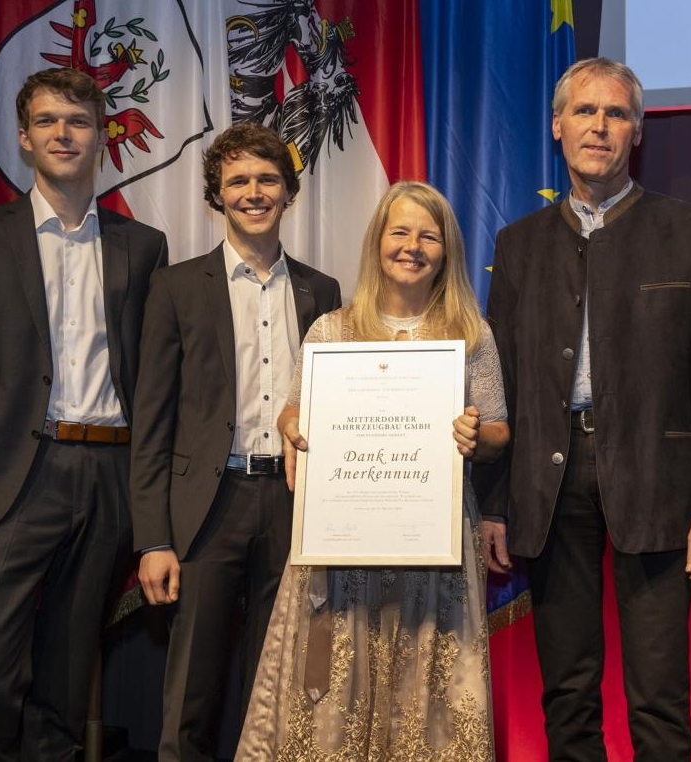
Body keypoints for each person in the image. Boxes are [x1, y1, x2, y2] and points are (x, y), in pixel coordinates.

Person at [474, 57, 691, 760]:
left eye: (616, 114)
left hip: (658, 481)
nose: (599, 127)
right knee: (566, 689)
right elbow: (495, 383)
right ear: (557, 125)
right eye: (585, 112)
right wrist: (494, 505)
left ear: (637, 132)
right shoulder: (518, 244)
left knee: (658, 694)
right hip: (546, 483)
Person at [0, 67, 168, 760]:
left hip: (107, 479)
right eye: (49, 121)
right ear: (25, 138)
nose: (64, 133)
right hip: (7, 480)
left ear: (100, 138)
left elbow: (152, 383)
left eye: (79, 121)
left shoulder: (142, 248)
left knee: (63, 685)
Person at [234, 180, 508, 760]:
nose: (412, 246)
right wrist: (289, 422)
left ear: (446, 250)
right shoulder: (332, 330)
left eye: (428, 236)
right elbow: (295, 407)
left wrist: (474, 433)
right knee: (334, 691)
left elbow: (500, 430)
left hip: (436, 547)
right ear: (377, 243)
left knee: (424, 698)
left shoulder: (470, 333)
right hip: (342, 548)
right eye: (400, 232)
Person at [129, 122, 341, 760]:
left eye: (267, 180)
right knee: (191, 693)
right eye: (239, 181)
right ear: (217, 196)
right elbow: (152, 420)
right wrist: (153, 540)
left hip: (292, 504)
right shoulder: (176, 287)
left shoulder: (322, 291)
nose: (254, 192)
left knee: (277, 685)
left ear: (289, 192)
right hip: (205, 510)